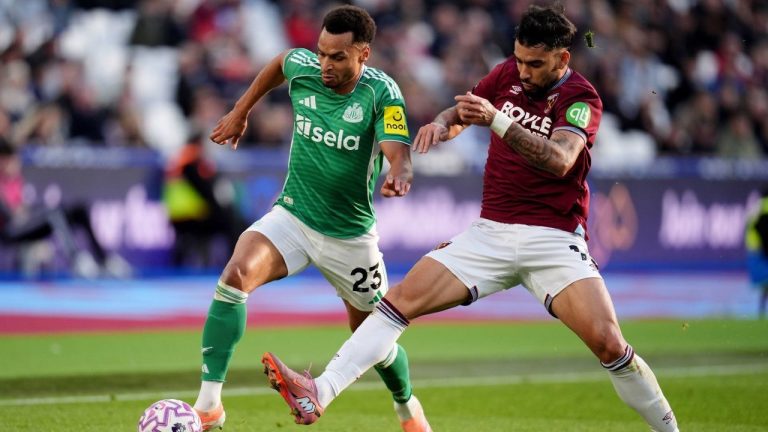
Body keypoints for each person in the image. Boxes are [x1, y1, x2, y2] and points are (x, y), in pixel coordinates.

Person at [261, 4, 679, 431]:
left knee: (609, 344)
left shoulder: (581, 99)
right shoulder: (506, 76)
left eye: (535, 64)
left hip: (554, 240)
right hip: (491, 233)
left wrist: (496, 119)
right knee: (398, 302)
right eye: (518, 60)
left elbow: (560, 160)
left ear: (562, 59)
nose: (523, 71)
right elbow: (465, 112)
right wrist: (443, 126)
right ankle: (320, 392)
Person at [194, 5, 431, 432]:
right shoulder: (304, 68)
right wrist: (242, 109)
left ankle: (407, 408)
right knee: (235, 276)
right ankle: (209, 405)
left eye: (337, 57)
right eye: (321, 53)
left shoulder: (381, 93)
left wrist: (400, 172)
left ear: (364, 55)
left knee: (375, 339)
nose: (324, 64)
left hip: (350, 238)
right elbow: (279, 64)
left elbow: (398, 148)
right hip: (294, 216)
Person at [0, 142, 131, 278]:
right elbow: (12, 215)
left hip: (24, 223)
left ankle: (104, 260)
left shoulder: (15, 179)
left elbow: (23, 207)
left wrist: (26, 211)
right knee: (53, 214)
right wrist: (20, 212)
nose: (16, 163)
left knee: (78, 210)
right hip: (10, 231)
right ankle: (76, 259)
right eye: (11, 159)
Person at [163, 131, 244, 269]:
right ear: (200, 144)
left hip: (177, 216)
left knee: (228, 217)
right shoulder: (191, 164)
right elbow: (207, 193)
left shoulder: (180, 160)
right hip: (192, 216)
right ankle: (236, 265)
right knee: (231, 221)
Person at [745, 187, 768, 318]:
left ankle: (761, 312)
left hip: (754, 250)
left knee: (765, 286)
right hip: (762, 251)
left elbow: (750, 227)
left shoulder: (757, 207)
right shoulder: (763, 209)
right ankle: (761, 313)